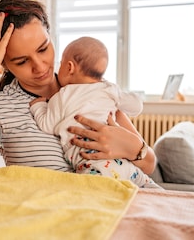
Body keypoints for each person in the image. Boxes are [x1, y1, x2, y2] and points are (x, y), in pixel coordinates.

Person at [0, 0, 157, 179]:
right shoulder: (1, 107)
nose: (40, 66)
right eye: (21, 61)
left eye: (43, 49)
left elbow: (149, 165)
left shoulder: (90, 88)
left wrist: (133, 148)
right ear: (4, 64)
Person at [29, 36, 160, 188]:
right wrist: (118, 95)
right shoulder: (109, 89)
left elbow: (47, 125)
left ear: (69, 67)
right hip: (126, 166)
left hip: (95, 167)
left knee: (92, 194)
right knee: (157, 194)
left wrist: (38, 106)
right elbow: (136, 107)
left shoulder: (62, 96)